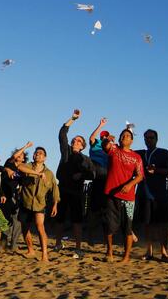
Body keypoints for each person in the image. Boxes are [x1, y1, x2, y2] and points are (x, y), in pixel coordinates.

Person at [54, 109, 98, 259]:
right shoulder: (65, 151)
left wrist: (82, 174)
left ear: (82, 146)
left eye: (79, 141)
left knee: (77, 221)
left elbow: (93, 174)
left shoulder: (86, 159)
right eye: (74, 139)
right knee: (59, 219)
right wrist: (73, 119)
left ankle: (78, 248)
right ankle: (58, 243)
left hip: (77, 192)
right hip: (62, 190)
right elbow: (62, 134)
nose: (75, 141)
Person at [103, 128, 144, 264]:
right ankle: (109, 251)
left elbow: (140, 175)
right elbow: (105, 146)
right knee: (110, 225)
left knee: (127, 227)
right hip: (112, 193)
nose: (124, 137)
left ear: (131, 141)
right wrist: (108, 139)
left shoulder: (136, 157)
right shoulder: (114, 149)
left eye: (127, 136)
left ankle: (126, 257)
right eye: (122, 135)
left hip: (128, 197)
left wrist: (130, 184)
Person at [16, 146, 60, 262]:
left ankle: (44, 254)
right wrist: (36, 173)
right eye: (36, 153)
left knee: (40, 226)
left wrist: (55, 204)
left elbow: (55, 189)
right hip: (26, 201)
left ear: (44, 158)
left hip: (40, 204)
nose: (37, 154)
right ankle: (31, 250)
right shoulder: (28, 166)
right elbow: (19, 167)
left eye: (40, 153)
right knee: (24, 227)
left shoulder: (49, 173)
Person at [136, 129, 168, 262]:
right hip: (144, 193)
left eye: (151, 138)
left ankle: (164, 252)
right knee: (148, 224)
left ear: (156, 139)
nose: (148, 140)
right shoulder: (140, 154)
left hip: (159, 194)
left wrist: (156, 170)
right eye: (146, 138)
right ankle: (149, 251)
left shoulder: (164, 153)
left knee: (162, 224)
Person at [0, 144, 30, 253]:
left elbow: (23, 183)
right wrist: (26, 146)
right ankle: (2, 243)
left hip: (15, 198)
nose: (20, 157)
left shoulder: (23, 170)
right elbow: (1, 183)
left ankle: (13, 244)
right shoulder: (9, 163)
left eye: (22, 156)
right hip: (5, 196)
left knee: (17, 221)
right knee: (6, 220)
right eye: (19, 155)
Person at [86, 118, 110, 247]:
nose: (105, 137)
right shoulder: (96, 144)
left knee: (107, 212)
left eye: (106, 135)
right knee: (94, 211)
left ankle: (107, 240)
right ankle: (90, 237)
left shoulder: (110, 148)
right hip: (97, 178)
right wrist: (100, 125)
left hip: (107, 180)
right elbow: (92, 137)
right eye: (103, 136)